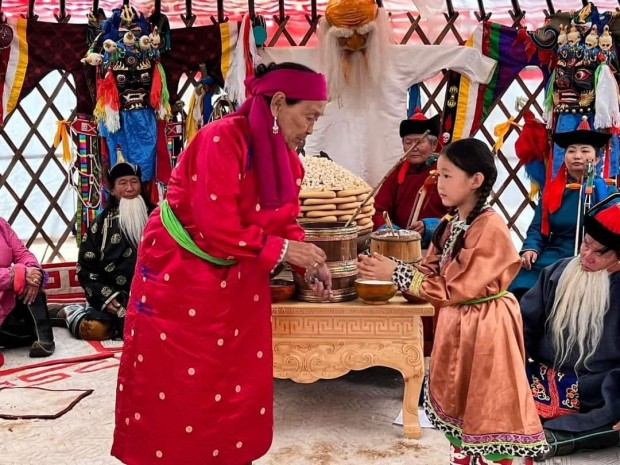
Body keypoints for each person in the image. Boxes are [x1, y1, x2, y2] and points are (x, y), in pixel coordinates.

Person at [112, 62, 332, 465]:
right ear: (279, 103)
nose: (311, 129)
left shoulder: (288, 159)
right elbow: (217, 225)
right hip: (181, 269)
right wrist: (285, 251)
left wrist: (308, 261)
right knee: (178, 380)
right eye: (309, 116)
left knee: (236, 376)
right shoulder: (221, 139)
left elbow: (284, 219)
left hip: (241, 273)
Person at [358, 138, 548, 464]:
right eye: (439, 175)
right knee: (458, 407)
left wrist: (397, 273)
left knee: (488, 409)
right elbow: (429, 273)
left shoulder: (489, 226)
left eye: (447, 176)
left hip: (487, 327)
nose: (439, 184)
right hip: (456, 324)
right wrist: (388, 269)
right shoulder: (451, 223)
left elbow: (453, 289)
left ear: (475, 180)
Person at [520, 194, 620, 459]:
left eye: (599, 252)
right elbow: (522, 328)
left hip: (598, 388)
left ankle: (558, 440)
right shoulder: (557, 272)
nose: (586, 255)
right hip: (541, 378)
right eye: (586, 244)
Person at [510, 117, 616, 300]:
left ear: (597, 158)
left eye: (585, 151)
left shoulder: (609, 193)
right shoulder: (552, 191)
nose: (577, 156)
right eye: (571, 151)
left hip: (594, 257)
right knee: (522, 283)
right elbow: (538, 228)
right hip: (556, 253)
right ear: (564, 158)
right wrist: (531, 248)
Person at [60, 162, 152, 341]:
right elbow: (85, 267)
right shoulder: (100, 224)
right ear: (112, 190)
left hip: (152, 293)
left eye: (134, 182)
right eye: (123, 183)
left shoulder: (158, 216)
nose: (130, 188)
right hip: (113, 296)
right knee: (94, 330)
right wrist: (106, 297)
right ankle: (71, 312)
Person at [372, 110, 448, 248]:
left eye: (419, 142)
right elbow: (378, 211)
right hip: (399, 246)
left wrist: (431, 226)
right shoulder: (397, 172)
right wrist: (394, 233)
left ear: (434, 144)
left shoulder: (446, 172)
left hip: (435, 248)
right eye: (408, 142)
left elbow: (460, 215)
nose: (413, 148)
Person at [0, 217, 55, 359]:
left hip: (7, 305)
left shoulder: (1, 225)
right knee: (22, 275)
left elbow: (22, 253)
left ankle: (45, 339)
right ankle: (52, 317)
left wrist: (32, 272)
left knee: (30, 280)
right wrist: (17, 274)